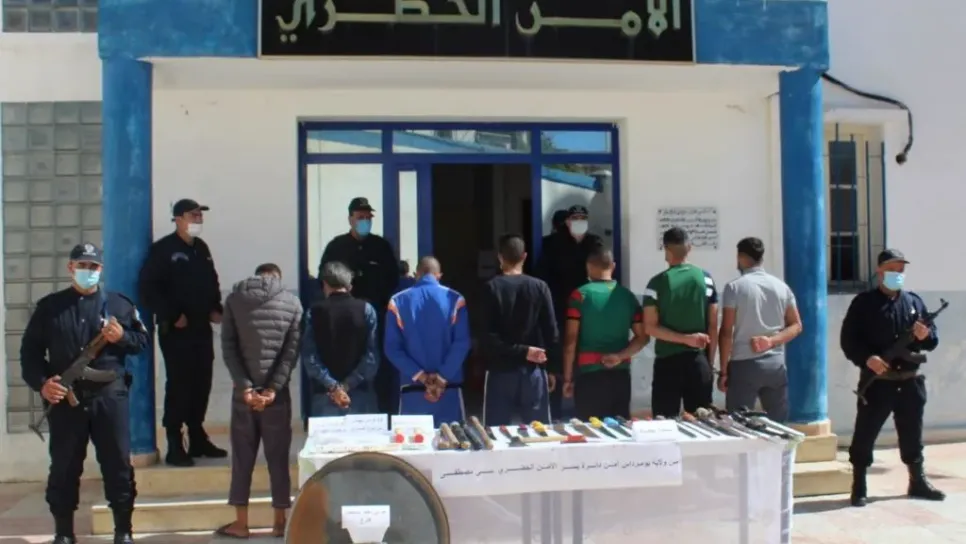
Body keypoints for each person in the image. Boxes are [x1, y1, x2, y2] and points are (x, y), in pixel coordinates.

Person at [20, 243, 149, 544]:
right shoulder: (50, 308)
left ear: (101, 270)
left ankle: (123, 530)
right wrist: (43, 383)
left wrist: (122, 336)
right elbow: (29, 354)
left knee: (117, 464)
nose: (87, 271)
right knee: (64, 466)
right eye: (82, 265)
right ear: (70, 268)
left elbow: (141, 342)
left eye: (93, 266)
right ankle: (64, 532)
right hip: (67, 399)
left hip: (109, 397)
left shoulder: (119, 305)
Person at [840, 249, 945, 507]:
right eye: (891, 270)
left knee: (912, 433)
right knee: (865, 433)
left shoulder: (914, 302)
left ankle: (917, 480)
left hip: (909, 381)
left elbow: (932, 340)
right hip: (879, 383)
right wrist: (867, 359)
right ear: (879, 272)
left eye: (900, 270)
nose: (897, 275)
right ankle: (859, 485)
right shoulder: (864, 303)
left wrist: (925, 336)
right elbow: (849, 340)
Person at [138, 198, 225, 466]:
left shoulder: (201, 248)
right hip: (176, 331)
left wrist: (215, 308)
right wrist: (172, 314)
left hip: (201, 327)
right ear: (178, 219)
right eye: (192, 215)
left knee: (202, 381)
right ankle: (175, 442)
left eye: (200, 215)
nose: (198, 219)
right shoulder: (164, 249)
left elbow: (211, 281)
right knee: (180, 384)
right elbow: (148, 288)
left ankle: (197, 435)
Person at [218, 263, 303, 539]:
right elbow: (290, 354)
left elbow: (229, 348)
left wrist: (245, 387)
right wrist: (273, 389)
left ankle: (241, 523)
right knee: (278, 459)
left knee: (242, 459)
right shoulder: (292, 303)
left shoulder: (234, 300)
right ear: (278, 278)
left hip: (243, 396)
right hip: (276, 397)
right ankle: (279, 522)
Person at [318, 197, 398, 414]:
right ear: (350, 219)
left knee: (375, 365)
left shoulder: (380, 247)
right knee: (344, 363)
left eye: (368, 217)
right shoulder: (337, 247)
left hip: (375, 316)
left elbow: (392, 279)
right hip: (344, 318)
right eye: (360, 217)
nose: (365, 221)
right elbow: (324, 277)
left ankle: (381, 413)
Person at [717, 237, 802, 422]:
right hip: (775, 365)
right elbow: (796, 325)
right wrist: (771, 341)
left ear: (741, 257)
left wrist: (723, 371)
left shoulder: (734, 287)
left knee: (739, 424)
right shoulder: (782, 287)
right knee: (779, 426)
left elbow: (726, 332)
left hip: (744, 365)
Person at [480, 234, 558, 426]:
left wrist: (521, 351)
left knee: (496, 433)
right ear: (524, 256)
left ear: (500, 257)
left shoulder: (490, 288)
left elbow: (486, 337)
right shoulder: (540, 287)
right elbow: (551, 333)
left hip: (500, 372)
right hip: (533, 371)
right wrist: (553, 369)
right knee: (538, 431)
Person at [561, 247, 648, 419]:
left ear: (588, 267)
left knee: (591, 430)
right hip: (620, 376)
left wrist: (567, 378)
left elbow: (571, 341)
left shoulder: (580, 295)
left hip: (589, 377)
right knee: (619, 429)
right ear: (613, 266)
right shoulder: (627, 297)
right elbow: (643, 338)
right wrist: (619, 356)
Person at [536, 205, 604, 419]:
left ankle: (586, 410)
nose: (579, 221)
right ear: (567, 221)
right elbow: (543, 278)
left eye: (583, 217)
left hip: (588, 311)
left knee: (585, 360)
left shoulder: (595, 243)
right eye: (575, 217)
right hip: (559, 310)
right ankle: (556, 412)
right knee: (557, 360)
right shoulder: (552, 244)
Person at [385, 257, 471, 426]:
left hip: (412, 390)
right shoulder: (455, 299)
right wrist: (442, 377)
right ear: (439, 275)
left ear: (416, 274)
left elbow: (392, 348)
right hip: (449, 390)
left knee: (412, 440)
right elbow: (462, 343)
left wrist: (422, 377)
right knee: (453, 439)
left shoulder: (397, 302)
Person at [643, 227, 718, 418]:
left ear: (666, 250)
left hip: (667, 363)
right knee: (702, 423)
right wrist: (709, 362)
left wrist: (684, 339)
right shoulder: (706, 279)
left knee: (664, 424)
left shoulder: (656, 283)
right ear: (689, 248)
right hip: (698, 361)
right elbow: (713, 325)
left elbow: (650, 327)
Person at [302, 262, 380, 416]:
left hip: (324, 395)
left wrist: (334, 386)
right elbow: (372, 357)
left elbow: (310, 357)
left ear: (325, 284)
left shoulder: (314, 312)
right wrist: (346, 385)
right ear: (349, 284)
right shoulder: (366, 309)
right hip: (360, 394)